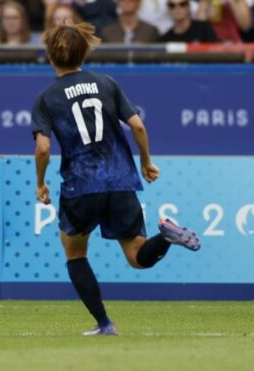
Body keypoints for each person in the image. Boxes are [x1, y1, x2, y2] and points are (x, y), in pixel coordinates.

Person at [32, 21, 200, 334]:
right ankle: (165, 237)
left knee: (75, 252)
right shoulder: (106, 83)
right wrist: (146, 161)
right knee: (137, 257)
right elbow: (137, 125)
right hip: (121, 180)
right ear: (84, 53)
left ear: (50, 56)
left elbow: (43, 148)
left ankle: (104, 324)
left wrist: (40, 183)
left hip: (81, 184)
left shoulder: (46, 98)